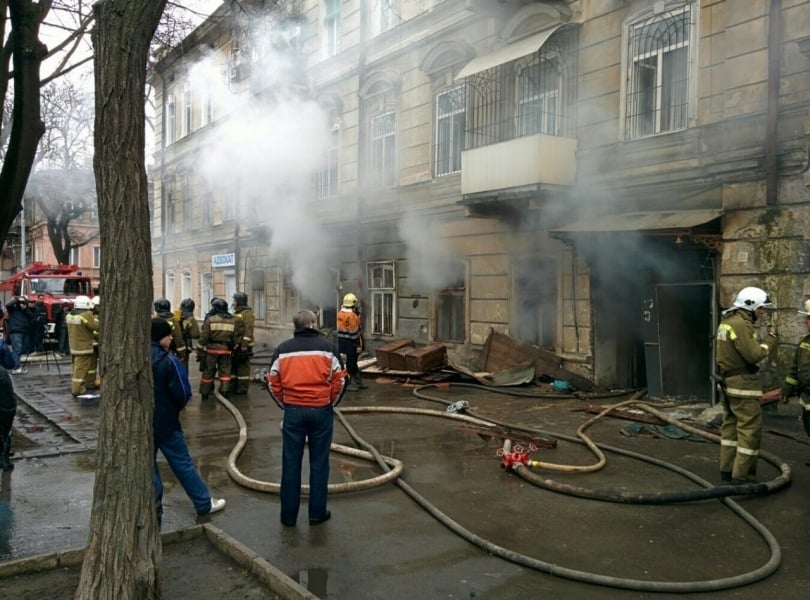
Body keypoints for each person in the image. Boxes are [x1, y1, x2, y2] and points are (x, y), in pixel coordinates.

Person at [266, 309, 347, 526]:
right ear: (312, 324)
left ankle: (288, 516)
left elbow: (272, 381)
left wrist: (285, 403)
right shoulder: (329, 349)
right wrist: (329, 402)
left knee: (290, 464)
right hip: (321, 410)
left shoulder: (282, 350)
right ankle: (316, 514)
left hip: (293, 411)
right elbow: (340, 381)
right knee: (319, 463)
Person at [151, 318, 225, 524]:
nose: (170, 338)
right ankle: (203, 502)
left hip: (142, 424)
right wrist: (174, 408)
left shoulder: (135, 357)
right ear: (160, 337)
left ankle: (152, 506)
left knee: (149, 467)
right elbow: (183, 393)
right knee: (182, 463)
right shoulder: (168, 361)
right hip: (166, 423)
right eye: (168, 335)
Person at [715, 286, 777, 484]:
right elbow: (754, 355)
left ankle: (727, 470)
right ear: (750, 306)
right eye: (761, 309)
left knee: (730, 429)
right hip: (743, 386)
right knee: (749, 430)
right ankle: (742, 477)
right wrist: (770, 341)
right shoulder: (742, 325)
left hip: (728, 384)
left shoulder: (727, 322)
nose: (762, 312)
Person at [780, 299, 810, 465]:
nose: (807, 322)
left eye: (809, 319)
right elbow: (794, 369)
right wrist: (786, 390)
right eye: (807, 319)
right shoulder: (805, 342)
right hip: (806, 397)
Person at [199, 297, 243, 399]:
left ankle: (205, 393)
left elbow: (204, 336)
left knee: (208, 371)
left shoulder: (210, 320)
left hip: (211, 350)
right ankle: (225, 391)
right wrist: (234, 347)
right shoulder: (233, 321)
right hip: (226, 350)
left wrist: (199, 350)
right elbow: (236, 337)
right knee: (225, 372)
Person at [65, 295, 99, 396]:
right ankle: (77, 390)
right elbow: (95, 326)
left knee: (76, 369)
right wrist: (95, 319)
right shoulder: (85, 315)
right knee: (80, 371)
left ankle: (84, 384)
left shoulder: (69, 315)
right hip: (84, 348)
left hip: (74, 347)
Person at [337, 293, 367, 391]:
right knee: (351, 364)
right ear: (353, 304)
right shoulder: (352, 316)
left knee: (352, 363)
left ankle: (359, 383)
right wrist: (358, 345)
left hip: (343, 342)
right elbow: (354, 334)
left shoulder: (341, 313)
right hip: (351, 344)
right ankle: (347, 384)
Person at [231, 291, 255, 395]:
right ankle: (234, 385)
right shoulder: (237, 313)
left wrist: (244, 345)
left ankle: (243, 388)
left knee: (243, 367)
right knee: (235, 366)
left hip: (244, 345)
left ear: (239, 301)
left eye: (234, 300)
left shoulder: (247, 314)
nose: (233, 302)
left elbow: (248, 330)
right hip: (236, 344)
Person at [4, 297, 33, 374]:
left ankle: (17, 366)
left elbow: (32, 316)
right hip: (16, 331)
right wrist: (16, 300)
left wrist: (25, 308)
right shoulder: (13, 309)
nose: (22, 304)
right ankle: (16, 367)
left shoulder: (25, 311)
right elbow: (8, 305)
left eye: (23, 303)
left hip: (23, 331)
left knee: (20, 350)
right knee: (17, 349)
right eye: (21, 303)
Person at [153, 298, 187, 363]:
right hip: (169, 350)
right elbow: (178, 338)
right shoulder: (174, 320)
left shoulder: (152, 319)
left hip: (154, 351)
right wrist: (182, 354)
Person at [0, 364, 16, 471]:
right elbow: (11, 362)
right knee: (6, 432)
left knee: (3, 433)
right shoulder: (2, 371)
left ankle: (4, 459)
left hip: (3, 408)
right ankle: (5, 458)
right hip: (10, 407)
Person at [178, 298, 200, 369]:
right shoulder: (191, 319)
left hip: (173, 344)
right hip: (185, 345)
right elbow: (195, 334)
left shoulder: (176, 317)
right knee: (183, 366)